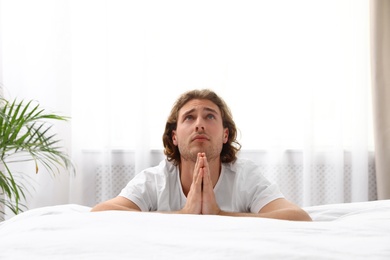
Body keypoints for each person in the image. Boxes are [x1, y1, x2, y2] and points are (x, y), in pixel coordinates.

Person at [91, 89, 312, 221]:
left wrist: (219, 214)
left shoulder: (245, 176)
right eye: (189, 117)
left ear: (225, 135)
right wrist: (184, 213)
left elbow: (299, 217)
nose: (199, 125)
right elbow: (100, 213)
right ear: (174, 136)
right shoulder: (155, 179)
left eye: (210, 117)